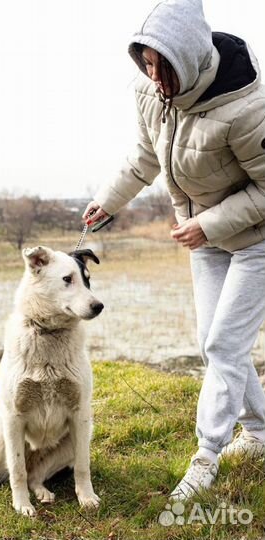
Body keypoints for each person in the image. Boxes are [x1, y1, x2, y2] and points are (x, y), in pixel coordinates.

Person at [82, 0, 265, 501]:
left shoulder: (246, 107)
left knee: (224, 346)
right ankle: (261, 435)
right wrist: (108, 201)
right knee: (213, 338)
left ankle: (207, 456)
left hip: (255, 241)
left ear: (189, 59)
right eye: (147, 64)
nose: (154, 76)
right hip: (203, 238)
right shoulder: (150, 90)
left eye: (163, 67)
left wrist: (208, 223)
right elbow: (146, 155)